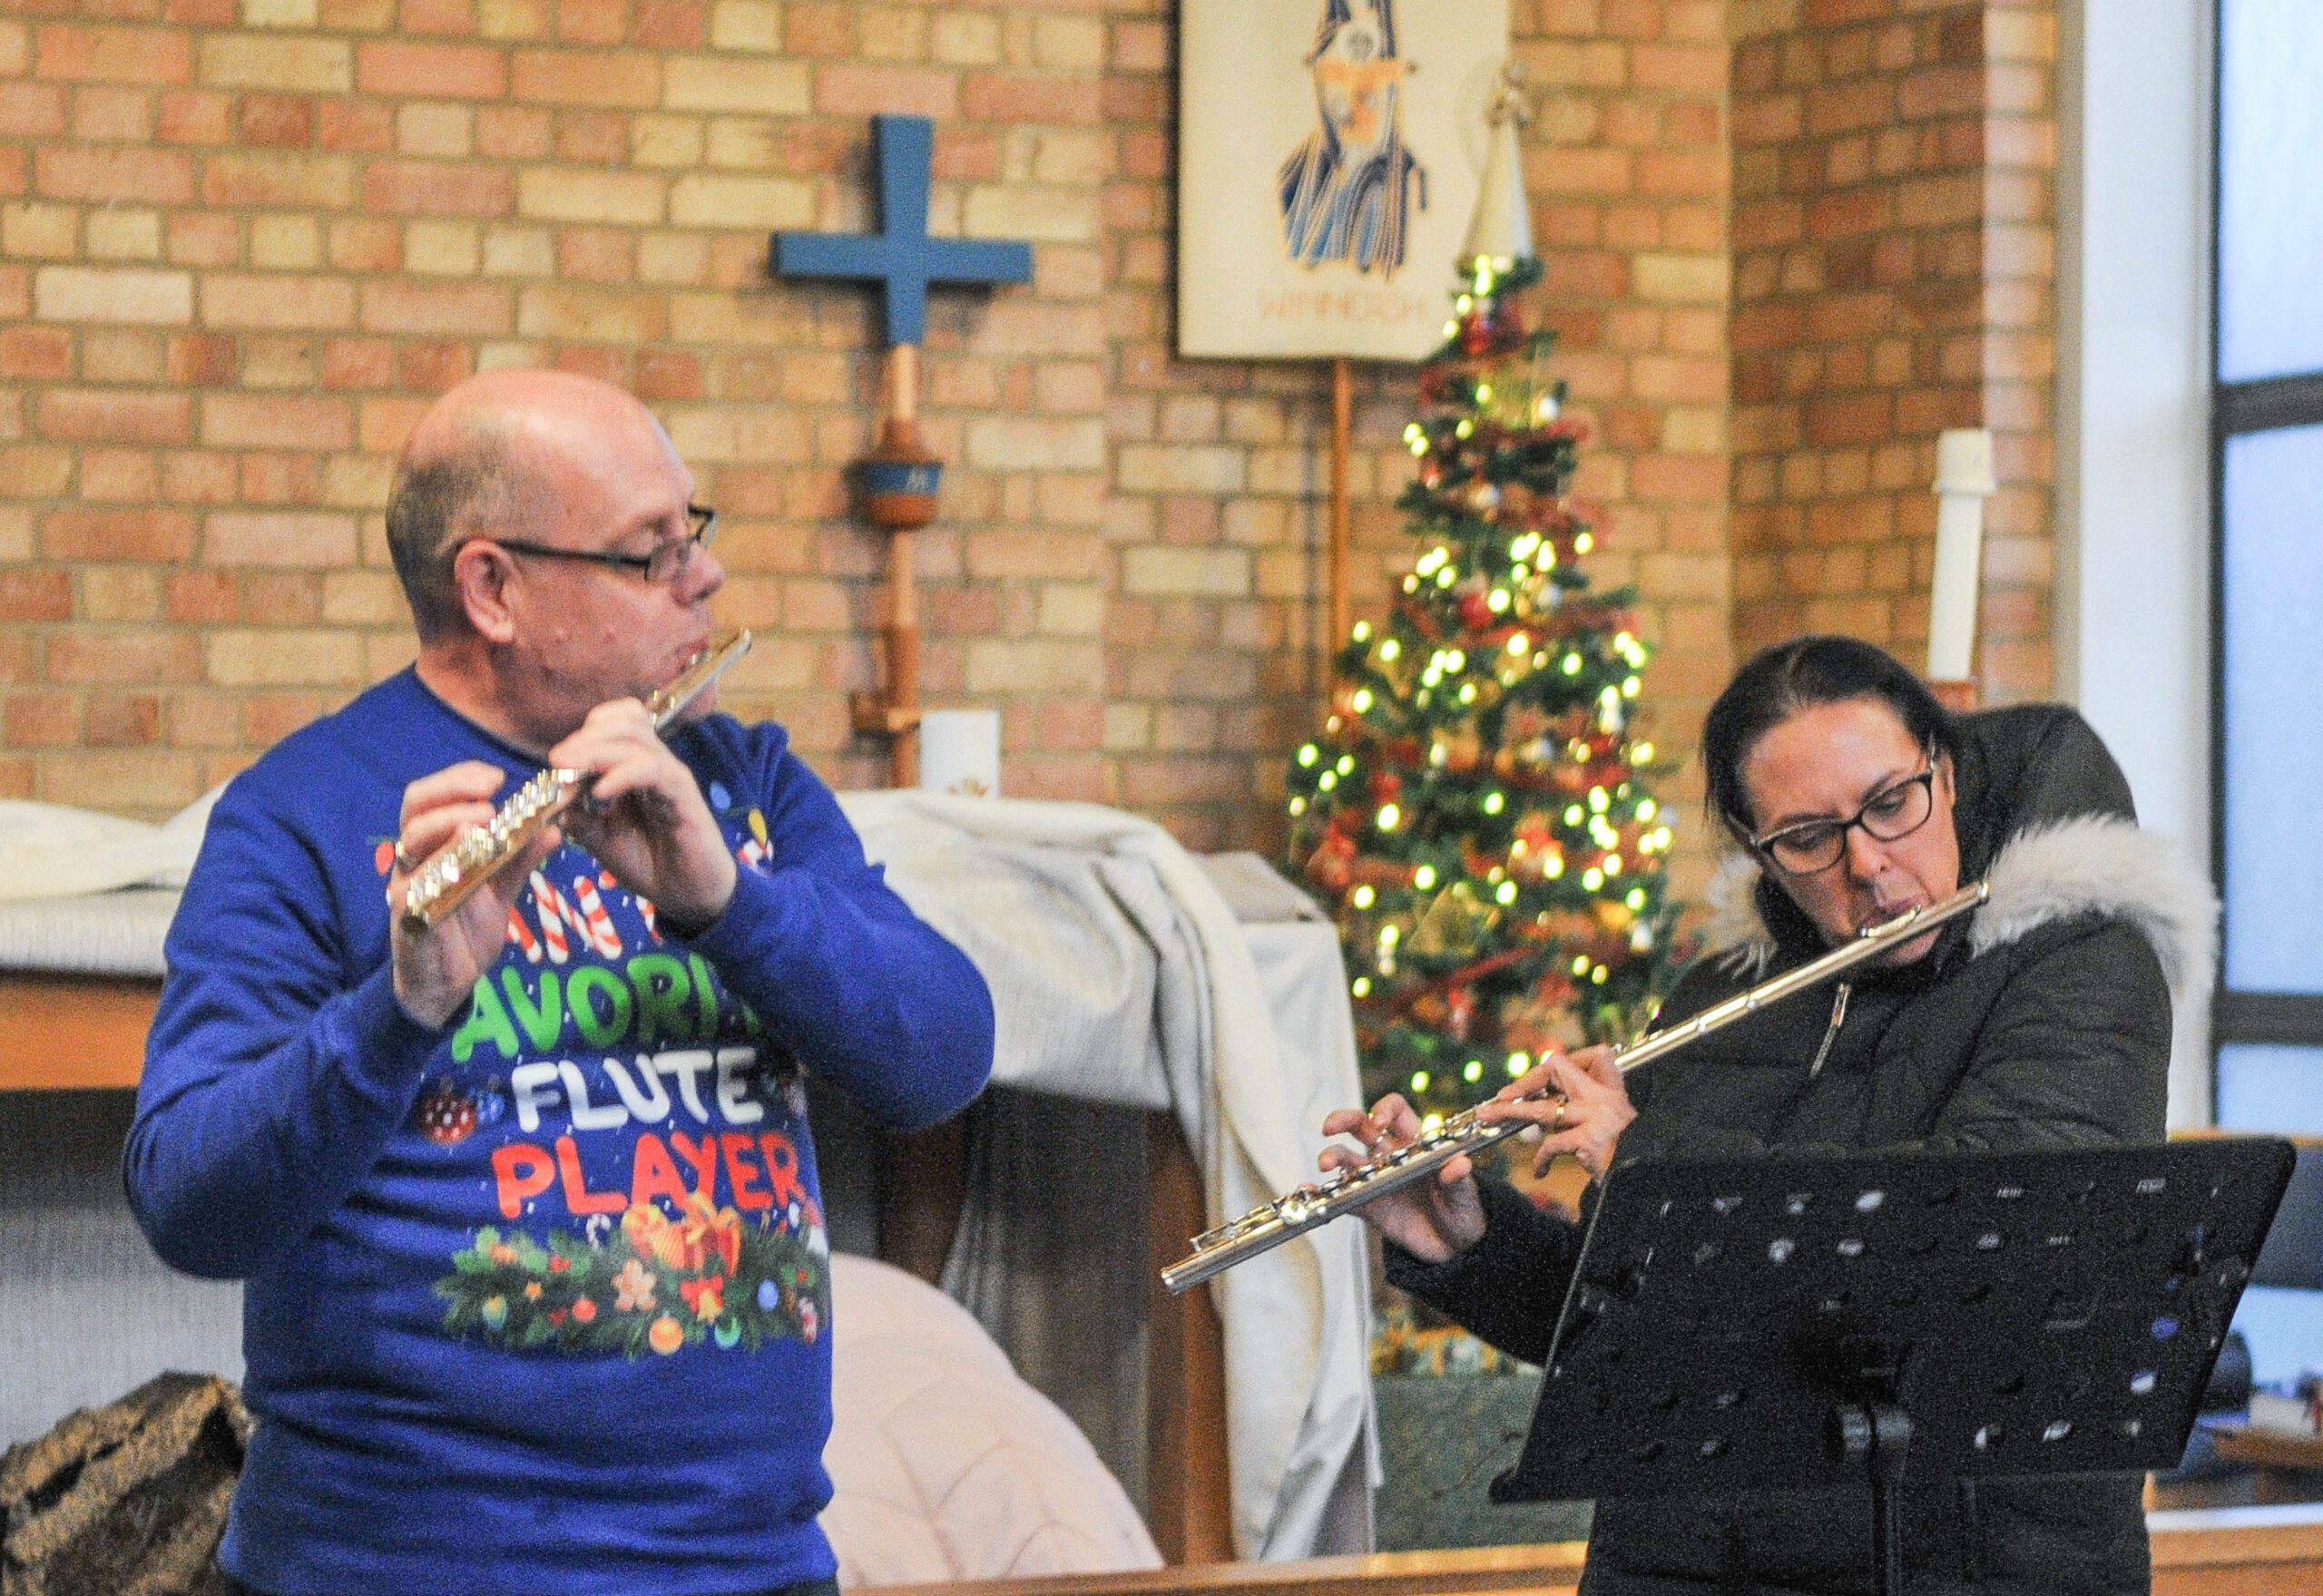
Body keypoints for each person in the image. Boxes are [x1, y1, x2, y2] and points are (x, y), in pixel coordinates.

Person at [126, 369, 995, 1596]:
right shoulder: (299, 812)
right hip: (399, 1572)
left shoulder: (740, 780)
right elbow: (189, 1201)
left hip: (745, 1564)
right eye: (651, 553)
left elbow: (943, 1056)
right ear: (493, 587)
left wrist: (728, 904)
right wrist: (399, 1013)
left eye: (693, 534)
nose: (705, 578)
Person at [1324, 635, 2207, 1595]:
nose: (1867, 862)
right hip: (1683, 1566)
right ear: (1758, 850)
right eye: (1809, 837)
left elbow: (1981, 1241)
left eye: (1891, 802)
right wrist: (1472, 1239)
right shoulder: (1721, 994)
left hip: (1958, 1567)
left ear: (1944, 774)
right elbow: (1650, 1331)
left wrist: (1646, 1153)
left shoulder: (2082, 964)